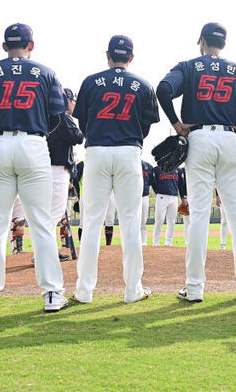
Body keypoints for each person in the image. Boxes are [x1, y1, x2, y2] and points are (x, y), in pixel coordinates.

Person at [0, 23, 68, 314]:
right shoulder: (45, 73)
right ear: (31, 45)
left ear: (4, 46)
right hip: (33, 145)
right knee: (41, 221)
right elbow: (58, 116)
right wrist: (37, 133)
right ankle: (51, 294)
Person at [157, 22, 236, 302]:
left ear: (202, 41)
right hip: (231, 138)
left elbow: (163, 89)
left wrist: (176, 123)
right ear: (224, 43)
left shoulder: (189, 66)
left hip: (200, 138)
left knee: (199, 216)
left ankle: (194, 288)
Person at [72, 35, 159, 304]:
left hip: (96, 151)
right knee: (131, 223)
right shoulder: (143, 84)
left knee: (92, 222)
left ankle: (84, 291)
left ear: (107, 55)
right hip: (129, 152)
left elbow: (83, 122)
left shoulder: (90, 81)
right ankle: (133, 290)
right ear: (131, 57)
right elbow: (146, 126)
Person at [47, 88, 84, 261]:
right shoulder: (62, 116)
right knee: (54, 213)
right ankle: (44, 254)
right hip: (57, 169)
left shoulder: (46, 116)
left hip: (45, 169)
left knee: (47, 213)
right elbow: (77, 137)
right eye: (73, 100)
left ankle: (45, 252)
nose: (74, 104)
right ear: (66, 100)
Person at [152, 162, 184, 246]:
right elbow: (153, 183)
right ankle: (155, 243)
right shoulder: (157, 169)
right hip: (162, 197)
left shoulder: (178, 170)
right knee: (159, 220)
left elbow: (181, 185)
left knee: (172, 221)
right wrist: (158, 192)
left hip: (174, 197)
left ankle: (169, 242)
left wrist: (183, 198)